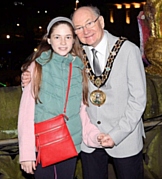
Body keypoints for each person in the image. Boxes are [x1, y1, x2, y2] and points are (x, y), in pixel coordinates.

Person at [22, 5, 147, 179]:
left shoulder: (128, 50)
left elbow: (138, 100)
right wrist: (28, 77)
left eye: (89, 23)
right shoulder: (77, 55)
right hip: (90, 140)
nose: (85, 31)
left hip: (124, 137)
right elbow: (53, 76)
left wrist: (117, 134)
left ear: (101, 21)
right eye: (79, 28)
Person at [18, 16, 106, 179]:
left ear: (74, 40)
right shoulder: (37, 67)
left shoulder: (79, 67)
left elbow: (82, 111)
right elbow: (26, 114)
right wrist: (27, 153)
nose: (63, 42)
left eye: (68, 37)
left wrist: (94, 135)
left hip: (70, 141)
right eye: (57, 37)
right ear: (49, 40)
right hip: (45, 143)